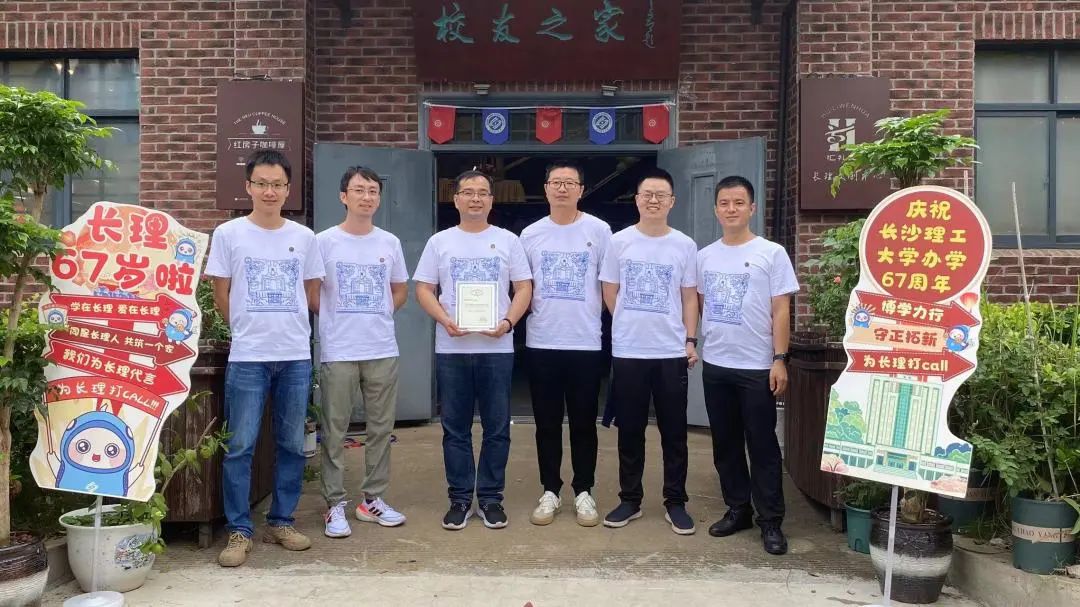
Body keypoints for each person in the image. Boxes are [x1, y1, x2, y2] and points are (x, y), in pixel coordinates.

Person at [205, 149, 325, 567]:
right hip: (248, 356)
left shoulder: (305, 238)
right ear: (248, 186)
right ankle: (239, 530)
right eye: (261, 183)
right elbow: (221, 295)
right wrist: (247, 328)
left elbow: (310, 293)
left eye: (277, 184)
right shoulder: (229, 234)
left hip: (294, 356)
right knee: (240, 446)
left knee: (291, 444)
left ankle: (282, 521)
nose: (269, 191)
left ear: (288, 189)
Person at [413, 170, 533, 531]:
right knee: (455, 428)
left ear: (492, 200)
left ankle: (492, 498)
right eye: (468, 192)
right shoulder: (440, 242)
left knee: (497, 427)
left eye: (482, 192)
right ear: (456, 199)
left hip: (497, 348)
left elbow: (524, 288)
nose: (475, 198)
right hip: (452, 348)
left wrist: (508, 322)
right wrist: (444, 319)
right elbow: (423, 289)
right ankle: (461, 498)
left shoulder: (508, 241)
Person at [697, 175, 799, 555]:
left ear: (752, 208)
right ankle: (737, 508)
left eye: (739, 202)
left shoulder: (771, 253)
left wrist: (779, 359)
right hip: (716, 364)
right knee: (725, 444)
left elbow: (781, 310)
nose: (731, 209)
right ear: (716, 210)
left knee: (763, 445)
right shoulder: (705, 256)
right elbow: (703, 305)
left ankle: (770, 521)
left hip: (757, 366)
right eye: (724, 203)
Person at [598, 168, 699, 535]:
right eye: (647, 194)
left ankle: (675, 501)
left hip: (671, 351)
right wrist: (629, 322)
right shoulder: (619, 242)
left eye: (661, 195)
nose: (653, 200)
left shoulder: (684, 245)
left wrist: (690, 339)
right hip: (629, 351)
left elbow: (689, 297)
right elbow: (610, 291)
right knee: (630, 430)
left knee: (674, 431)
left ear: (672, 201)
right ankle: (630, 499)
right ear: (637, 199)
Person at [311, 166, 409, 538]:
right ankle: (334, 503)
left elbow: (399, 289)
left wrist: (379, 313)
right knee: (334, 429)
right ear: (344, 196)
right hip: (339, 349)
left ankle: (372, 499)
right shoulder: (324, 241)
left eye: (372, 191)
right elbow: (312, 293)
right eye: (359, 190)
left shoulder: (389, 242)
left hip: (381, 347)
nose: (366, 197)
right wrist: (336, 319)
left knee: (381, 428)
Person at [519, 160, 611, 527]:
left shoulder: (599, 230)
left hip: (585, 342)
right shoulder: (530, 234)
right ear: (545, 189)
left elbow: (608, 285)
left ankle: (584, 491)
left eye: (569, 182)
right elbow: (522, 287)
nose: (562, 188)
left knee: (585, 422)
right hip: (542, 341)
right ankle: (550, 490)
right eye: (555, 182)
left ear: (581, 190)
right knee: (546, 423)